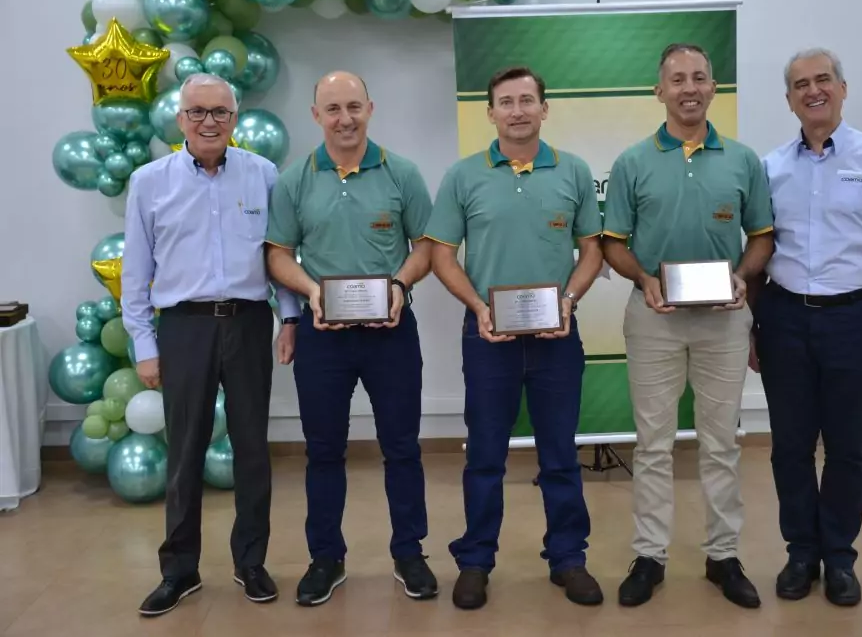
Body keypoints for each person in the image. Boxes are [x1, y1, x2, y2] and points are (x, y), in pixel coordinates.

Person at [424, 66, 605, 610]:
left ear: (545, 109)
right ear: (491, 113)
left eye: (528, 100)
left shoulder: (572, 172)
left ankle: (569, 558)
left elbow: (592, 251)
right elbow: (440, 255)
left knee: (559, 456)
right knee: (484, 456)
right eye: (507, 102)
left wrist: (569, 301)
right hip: (487, 338)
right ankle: (476, 560)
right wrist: (479, 306)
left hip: (556, 338)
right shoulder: (463, 176)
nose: (518, 110)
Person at [601, 43, 775, 610]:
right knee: (652, 444)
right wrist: (646, 280)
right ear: (660, 91)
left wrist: (745, 277)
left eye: (699, 77)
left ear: (713, 87)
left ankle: (722, 555)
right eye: (677, 79)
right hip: (654, 317)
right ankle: (649, 555)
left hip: (725, 321)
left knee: (722, 442)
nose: (689, 87)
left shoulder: (744, 160)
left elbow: (762, 237)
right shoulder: (632, 162)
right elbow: (613, 243)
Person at [122, 73, 302, 616]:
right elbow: (136, 272)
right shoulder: (150, 182)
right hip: (184, 327)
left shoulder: (263, 174)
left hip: (248, 323)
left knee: (251, 449)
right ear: (180, 120)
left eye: (220, 113)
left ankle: (250, 562)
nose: (208, 122)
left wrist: (289, 318)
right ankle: (179, 570)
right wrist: (144, 345)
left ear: (234, 119)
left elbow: (279, 256)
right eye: (197, 112)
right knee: (184, 453)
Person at [752, 48, 862, 607]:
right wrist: (757, 325)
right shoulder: (770, 167)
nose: (813, 90)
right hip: (784, 319)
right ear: (788, 99)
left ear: (843, 89)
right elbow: (759, 250)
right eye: (801, 84)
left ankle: (841, 558)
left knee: (849, 448)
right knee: (790, 447)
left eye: (822, 79)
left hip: (858, 318)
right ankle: (801, 552)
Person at [264, 71, 437, 606]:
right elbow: (277, 255)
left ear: (371, 109)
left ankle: (409, 553)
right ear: (316, 116)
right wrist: (311, 292)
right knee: (323, 452)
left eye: (354, 107)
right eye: (333, 108)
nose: (345, 118)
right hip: (322, 337)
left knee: (403, 448)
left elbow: (427, 245)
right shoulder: (295, 180)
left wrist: (401, 286)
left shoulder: (402, 174)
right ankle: (326, 558)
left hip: (390, 332)